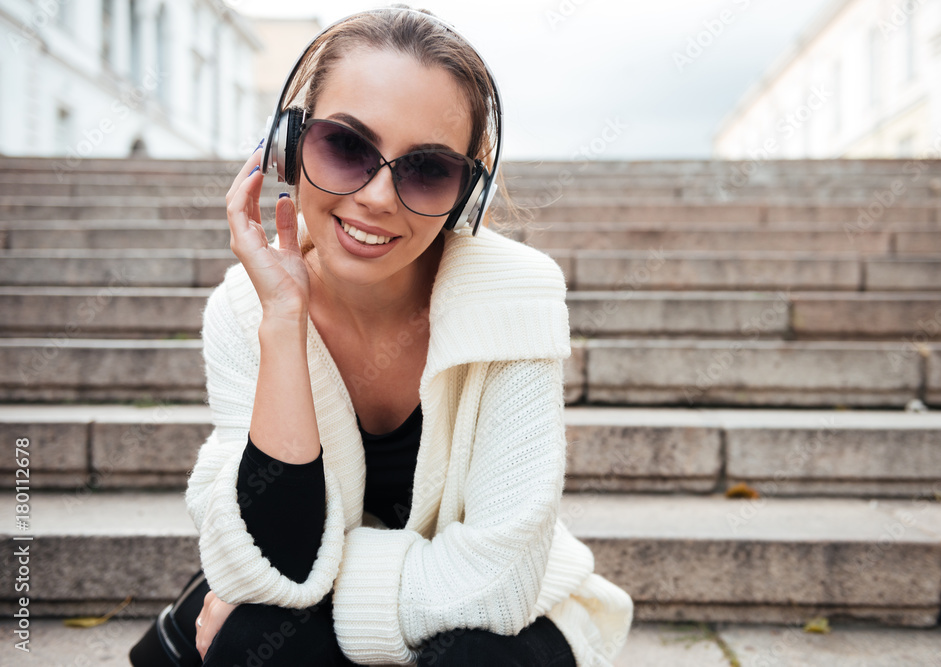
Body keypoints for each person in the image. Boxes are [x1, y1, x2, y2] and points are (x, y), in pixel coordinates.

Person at [181, 5, 632, 665]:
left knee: (472, 659)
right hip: (394, 603)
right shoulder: (245, 307)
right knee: (249, 641)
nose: (378, 197)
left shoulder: (518, 296)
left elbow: (498, 584)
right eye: (346, 147)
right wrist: (283, 320)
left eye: (426, 169)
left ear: (465, 194)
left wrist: (324, 585)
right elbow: (270, 560)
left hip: (497, 630)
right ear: (289, 144)